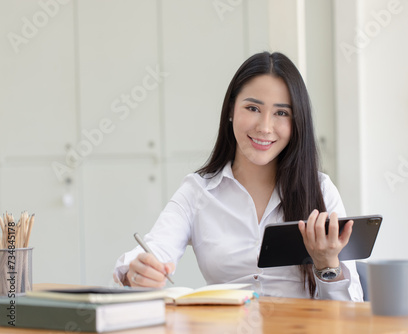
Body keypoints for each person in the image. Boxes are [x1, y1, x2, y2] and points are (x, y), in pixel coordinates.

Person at [114, 52, 363, 301]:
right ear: (231, 110)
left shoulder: (320, 190)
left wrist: (327, 264)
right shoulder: (197, 192)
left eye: (281, 113)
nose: (265, 127)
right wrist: (137, 273)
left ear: (297, 121)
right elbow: (154, 250)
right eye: (253, 108)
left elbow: (351, 312)